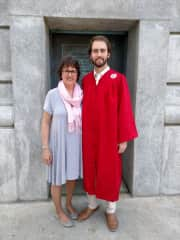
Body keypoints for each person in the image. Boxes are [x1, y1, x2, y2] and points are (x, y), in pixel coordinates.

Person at [78, 35, 138, 231]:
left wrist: (124, 138)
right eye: (95, 51)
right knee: (90, 169)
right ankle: (92, 205)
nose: (99, 54)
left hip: (110, 136)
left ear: (108, 54)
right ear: (90, 55)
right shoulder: (85, 81)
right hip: (89, 136)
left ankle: (111, 210)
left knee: (110, 172)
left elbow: (125, 110)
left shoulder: (118, 80)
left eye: (102, 50)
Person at [41, 56, 83, 228]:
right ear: (61, 73)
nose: (70, 74)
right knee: (57, 179)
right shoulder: (52, 95)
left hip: (76, 143)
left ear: (77, 74)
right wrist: (45, 148)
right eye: (66, 70)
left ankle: (68, 203)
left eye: (73, 71)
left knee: (72, 176)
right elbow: (45, 121)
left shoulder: (81, 95)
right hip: (57, 145)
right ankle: (59, 211)